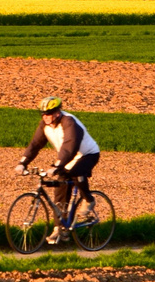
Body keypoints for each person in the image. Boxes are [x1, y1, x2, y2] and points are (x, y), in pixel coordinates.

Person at [16, 96, 100, 244]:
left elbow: (70, 146)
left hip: (87, 154)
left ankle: (88, 199)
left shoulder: (69, 122)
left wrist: (56, 166)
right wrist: (23, 162)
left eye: (49, 113)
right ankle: (60, 228)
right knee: (60, 188)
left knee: (75, 172)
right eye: (43, 113)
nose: (46, 116)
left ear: (57, 112)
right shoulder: (45, 125)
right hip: (68, 158)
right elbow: (35, 145)